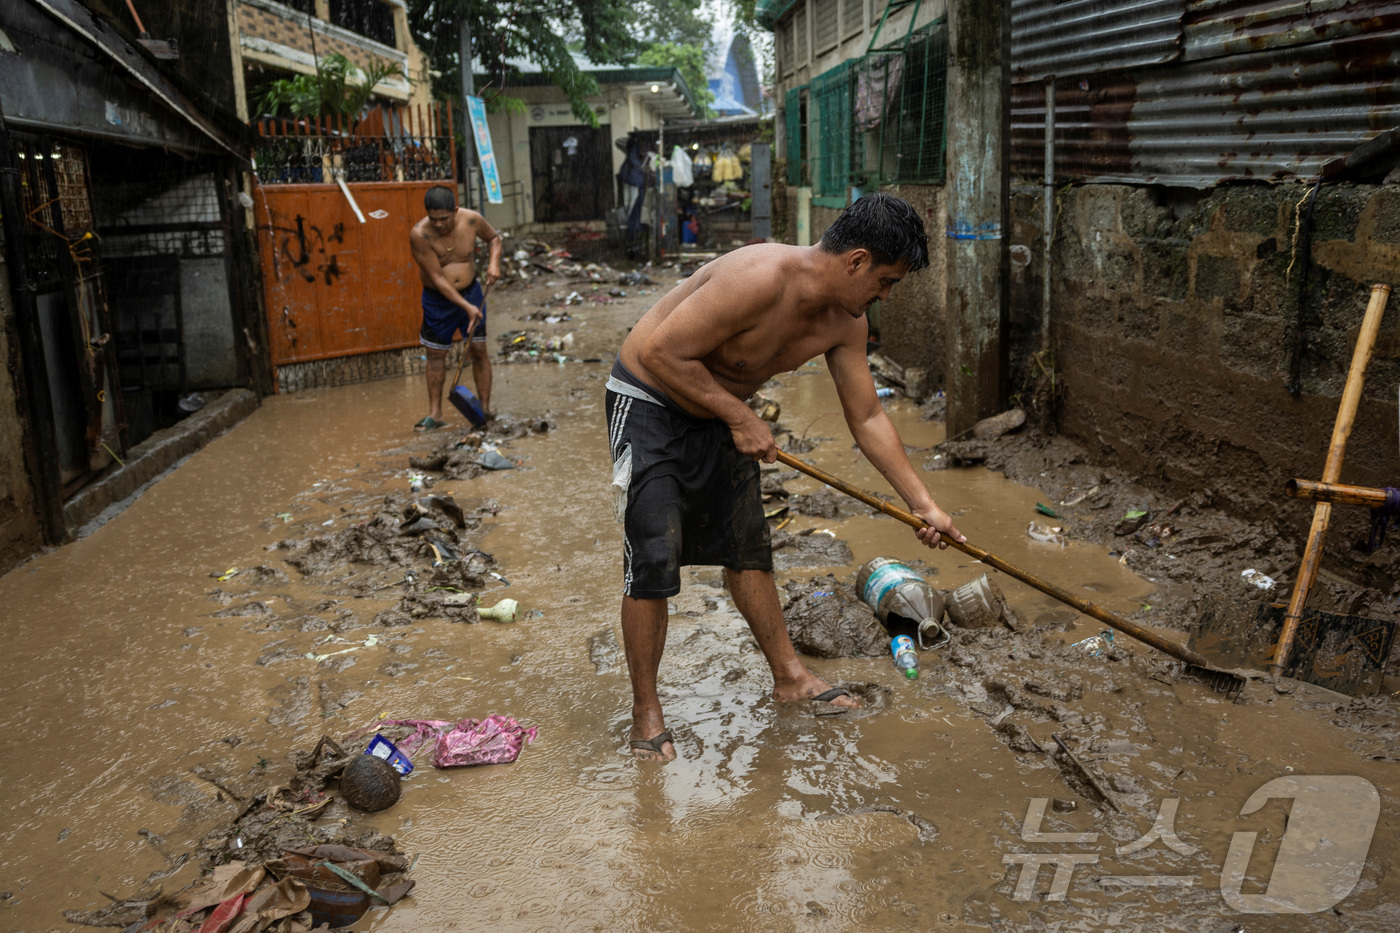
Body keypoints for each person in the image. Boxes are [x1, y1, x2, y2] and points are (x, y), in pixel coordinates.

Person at [605, 192, 966, 762]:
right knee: (654, 552)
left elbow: (867, 414)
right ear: (856, 261)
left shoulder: (847, 322)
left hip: (721, 409)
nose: (885, 295)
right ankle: (646, 710)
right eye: (885, 281)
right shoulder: (758, 276)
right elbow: (660, 353)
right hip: (651, 398)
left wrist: (924, 503)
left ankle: (791, 677)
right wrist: (741, 416)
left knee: (748, 547)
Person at [410, 185, 502, 430]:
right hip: (438, 299)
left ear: (456, 210)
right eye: (433, 219)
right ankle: (435, 414)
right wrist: (467, 307)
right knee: (436, 355)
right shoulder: (420, 234)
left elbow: (494, 239)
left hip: (471, 291)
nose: (439, 224)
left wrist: (494, 264)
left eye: (444, 219)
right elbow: (438, 279)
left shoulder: (472, 220)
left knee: (479, 350)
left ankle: (483, 410)